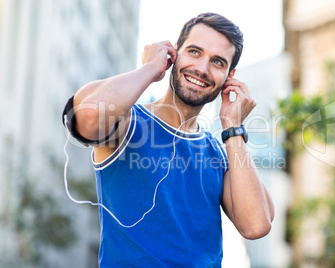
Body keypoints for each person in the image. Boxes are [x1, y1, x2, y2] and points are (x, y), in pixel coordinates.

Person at [63, 12, 274, 267]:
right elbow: (88, 117)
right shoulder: (129, 123)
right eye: (194, 52)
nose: (202, 69)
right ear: (173, 54)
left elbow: (256, 224)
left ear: (229, 77)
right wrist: (150, 68)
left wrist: (233, 127)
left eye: (218, 62)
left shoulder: (218, 151)